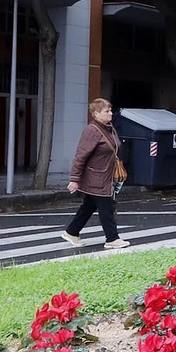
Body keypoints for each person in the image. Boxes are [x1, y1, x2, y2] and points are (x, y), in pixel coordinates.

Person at [61, 98, 128, 250]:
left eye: (111, 110)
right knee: (106, 206)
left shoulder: (108, 128)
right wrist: (74, 179)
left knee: (89, 206)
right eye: (107, 111)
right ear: (96, 114)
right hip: (96, 177)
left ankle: (71, 232)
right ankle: (112, 238)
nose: (111, 113)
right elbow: (80, 156)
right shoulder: (92, 131)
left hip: (104, 176)